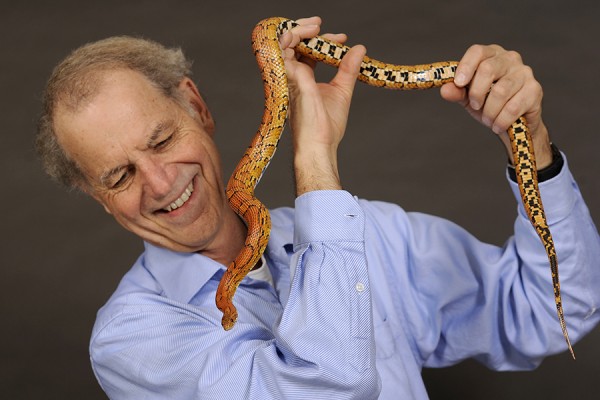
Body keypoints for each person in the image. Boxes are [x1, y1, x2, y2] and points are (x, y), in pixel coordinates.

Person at [36, 16, 600, 400]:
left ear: (196, 106)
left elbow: (555, 314)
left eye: (161, 141)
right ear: (99, 198)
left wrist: (532, 146)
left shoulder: (368, 235)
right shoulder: (133, 341)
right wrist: (315, 164)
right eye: (119, 175)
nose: (159, 183)